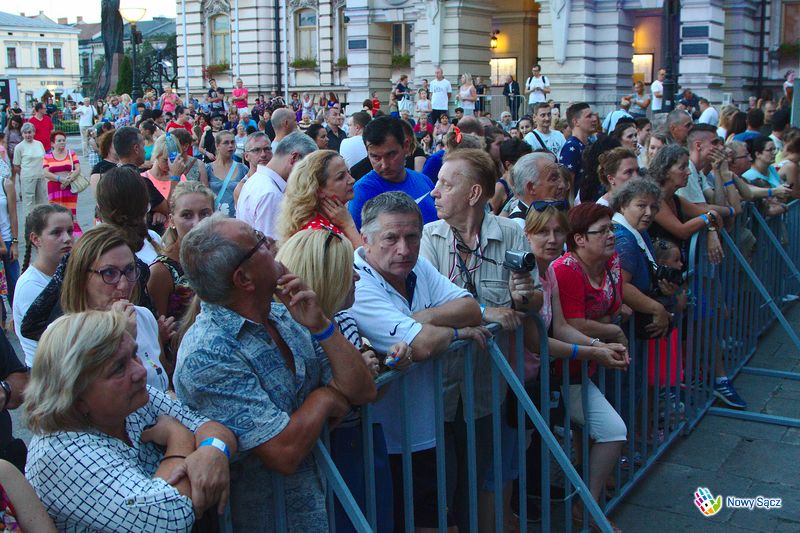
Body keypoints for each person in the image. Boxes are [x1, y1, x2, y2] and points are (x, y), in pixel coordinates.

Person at [174, 213, 375, 530]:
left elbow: (363, 389)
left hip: (318, 512)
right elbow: (283, 451)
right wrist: (324, 399)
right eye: (258, 241)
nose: (270, 240)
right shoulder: (208, 353)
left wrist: (322, 326)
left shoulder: (284, 315)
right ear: (244, 279)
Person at [24, 310, 235, 531]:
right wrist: (179, 438)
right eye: (118, 368)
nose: (140, 371)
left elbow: (213, 427)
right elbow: (170, 519)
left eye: (134, 355)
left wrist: (213, 451)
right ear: (75, 396)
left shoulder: (132, 401)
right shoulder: (58, 453)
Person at [348, 191, 485, 531]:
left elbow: (470, 308)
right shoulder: (357, 283)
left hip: (423, 430)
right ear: (365, 239)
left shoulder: (416, 266)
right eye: (391, 238)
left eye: (412, 237)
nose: (404, 249)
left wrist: (419, 318)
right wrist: (456, 333)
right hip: (381, 440)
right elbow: (422, 346)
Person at [421, 149, 538, 531]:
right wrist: (486, 311)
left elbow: (533, 299)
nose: (434, 191)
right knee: (440, 483)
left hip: (486, 387)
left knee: (474, 479)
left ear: (473, 194)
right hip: (438, 387)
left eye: (445, 184)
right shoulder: (428, 237)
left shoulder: (511, 233)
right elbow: (426, 309)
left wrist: (524, 298)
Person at [274, 228, 401, 533]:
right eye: (347, 270)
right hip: (321, 459)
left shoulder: (345, 319)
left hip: (359, 446)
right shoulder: (288, 331)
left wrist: (387, 366)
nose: (357, 277)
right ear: (327, 276)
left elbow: (366, 393)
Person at [523, 204, 628, 532]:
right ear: (526, 235)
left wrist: (597, 346)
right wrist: (595, 348)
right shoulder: (534, 274)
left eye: (558, 231)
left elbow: (562, 327)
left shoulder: (551, 271)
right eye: (543, 232)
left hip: (547, 378)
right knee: (511, 460)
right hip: (525, 379)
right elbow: (539, 342)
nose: (553, 239)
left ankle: (586, 506)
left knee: (613, 430)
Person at [349, 117, 438, 229]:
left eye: (391, 155)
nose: (384, 165)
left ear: (406, 146)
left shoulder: (424, 181)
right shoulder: (361, 192)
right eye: (375, 157)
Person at [14, 204, 73, 365]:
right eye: (56, 233)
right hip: (49, 372)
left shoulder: (68, 271)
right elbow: (62, 342)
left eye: (69, 231)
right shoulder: (30, 285)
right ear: (35, 239)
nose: (67, 238)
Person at [237, 131, 317, 237]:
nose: (307, 175)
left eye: (267, 149)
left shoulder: (256, 180)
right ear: (294, 158)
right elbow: (271, 244)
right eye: (306, 167)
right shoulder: (271, 194)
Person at [277, 149, 360, 246]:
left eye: (348, 172)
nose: (352, 180)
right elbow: (368, 256)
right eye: (340, 177)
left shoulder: (329, 222)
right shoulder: (322, 235)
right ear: (318, 189)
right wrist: (349, 226)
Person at [508, 152, 568, 228]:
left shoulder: (553, 215)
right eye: (553, 179)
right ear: (531, 187)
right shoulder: (519, 228)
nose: (562, 185)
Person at [41, 130, 83, 237]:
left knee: (71, 213)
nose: (62, 143)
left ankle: (73, 236)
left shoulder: (71, 153)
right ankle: (57, 235)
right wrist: (60, 179)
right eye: (59, 141)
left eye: (63, 140)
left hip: (69, 187)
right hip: (54, 188)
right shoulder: (47, 156)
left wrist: (68, 180)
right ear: (52, 143)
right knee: (55, 212)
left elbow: (78, 169)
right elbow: (46, 173)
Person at [204, 130, 247, 217]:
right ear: (217, 146)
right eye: (226, 143)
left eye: (232, 142)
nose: (230, 145)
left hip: (236, 219)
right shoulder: (207, 169)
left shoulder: (243, 169)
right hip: (214, 219)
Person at [12, 123, 47, 223]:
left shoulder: (39, 144)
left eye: (30, 132)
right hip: (28, 178)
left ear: (34, 133)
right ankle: (29, 224)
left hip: (41, 176)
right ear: (22, 134)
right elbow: (16, 165)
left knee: (42, 202)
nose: (28, 135)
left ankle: (42, 224)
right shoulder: (19, 147)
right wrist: (25, 174)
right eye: (25, 133)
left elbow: (44, 159)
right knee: (29, 203)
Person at [559, 102, 593, 192]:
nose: (593, 119)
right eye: (589, 116)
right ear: (576, 122)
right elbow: (568, 185)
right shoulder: (571, 147)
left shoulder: (590, 144)